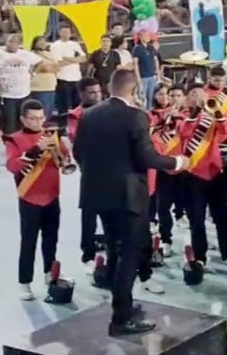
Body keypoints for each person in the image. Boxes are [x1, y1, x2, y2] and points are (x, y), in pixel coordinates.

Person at [72, 69, 185, 336]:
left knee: (113, 248)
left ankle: (121, 306)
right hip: (128, 196)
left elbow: (79, 153)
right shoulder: (136, 116)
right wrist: (178, 162)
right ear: (135, 91)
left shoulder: (88, 115)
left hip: (97, 194)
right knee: (129, 255)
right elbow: (147, 158)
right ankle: (121, 319)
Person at [3, 100, 65, 301]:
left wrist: (61, 151)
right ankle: (24, 282)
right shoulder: (14, 139)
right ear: (23, 119)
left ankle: (50, 273)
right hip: (29, 197)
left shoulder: (51, 136)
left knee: (51, 239)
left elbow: (65, 158)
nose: (38, 122)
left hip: (52, 195)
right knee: (28, 242)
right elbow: (12, 165)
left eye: (41, 118)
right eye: (32, 118)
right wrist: (35, 150)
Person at [178, 83, 227, 269]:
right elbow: (185, 132)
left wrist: (218, 115)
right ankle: (200, 257)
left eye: (200, 93)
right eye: (193, 94)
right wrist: (195, 115)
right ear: (188, 97)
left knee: (221, 216)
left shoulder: (211, 114)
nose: (198, 96)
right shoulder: (182, 116)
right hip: (192, 175)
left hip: (214, 173)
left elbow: (223, 132)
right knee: (196, 219)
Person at [68, 77, 105, 265]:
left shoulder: (108, 110)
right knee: (89, 214)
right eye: (92, 92)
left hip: (111, 170)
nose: (97, 95)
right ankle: (87, 253)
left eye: (99, 91)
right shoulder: (76, 115)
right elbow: (78, 145)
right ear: (82, 94)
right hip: (90, 171)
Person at [149, 84, 184, 257]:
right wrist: (165, 120)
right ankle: (166, 239)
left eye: (178, 95)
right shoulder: (153, 116)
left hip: (184, 167)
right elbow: (150, 134)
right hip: (164, 166)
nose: (172, 98)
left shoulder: (186, 116)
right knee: (162, 207)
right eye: (171, 95)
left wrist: (179, 119)